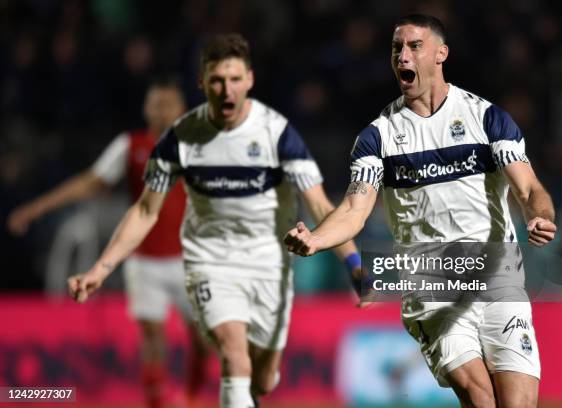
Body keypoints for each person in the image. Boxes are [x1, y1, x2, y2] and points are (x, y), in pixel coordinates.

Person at [67, 33, 362, 408]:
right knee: (231, 352)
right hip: (210, 262)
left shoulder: (277, 133)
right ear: (203, 83)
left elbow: (320, 205)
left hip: (266, 264)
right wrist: (101, 268)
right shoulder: (179, 138)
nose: (226, 90)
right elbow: (145, 210)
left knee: (263, 379)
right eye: (218, 81)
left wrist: (355, 267)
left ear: (250, 80)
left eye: (235, 80)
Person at [284, 14, 557, 408]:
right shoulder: (378, 137)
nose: (403, 56)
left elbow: (529, 187)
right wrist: (315, 239)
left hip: (500, 278)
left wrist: (539, 215)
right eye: (397, 48)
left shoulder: (486, 118)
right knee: (481, 398)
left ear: (441, 54)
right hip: (431, 285)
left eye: (414, 46)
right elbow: (353, 210)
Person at [8, 79, 209, 408]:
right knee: (153, 338)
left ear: (181, 109)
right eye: (156, 104)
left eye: (168, 104)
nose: (161, 110)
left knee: (203, 342)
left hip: (190, 260)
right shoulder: (130, 146)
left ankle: (189, 397)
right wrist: (37, 208)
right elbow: (90, 182)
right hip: (144, 262)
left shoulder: (199, 148)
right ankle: (158, 403)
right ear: (146, 109)